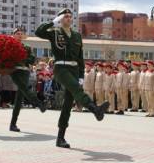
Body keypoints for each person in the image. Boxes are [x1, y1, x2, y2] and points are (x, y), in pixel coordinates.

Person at [35, 8, 109, 148]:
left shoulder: (77, 36)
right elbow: (38, 32)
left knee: (68, 104)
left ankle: (60, 138)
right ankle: (94, 109)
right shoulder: (55, 32)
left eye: (70, 16)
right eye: (65, 16)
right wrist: (52, 23)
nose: (69, 18)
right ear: (60, 19)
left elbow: (80, 58)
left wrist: (81, 76)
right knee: (75, 89)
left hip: (74, 70)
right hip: (61, 68)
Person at [9, 27, 47, 132]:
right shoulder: (9, 46)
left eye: (21, 34)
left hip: (25, 71)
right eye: (17, 33)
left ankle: (13, 124)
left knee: (19, 99)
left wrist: (21, 57)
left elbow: (32, 59)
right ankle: (39, 104)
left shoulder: (27, 47)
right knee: (24, 88)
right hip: (14, 71)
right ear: (13, 35)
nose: (20, 35)